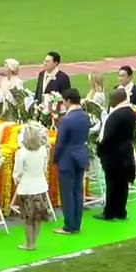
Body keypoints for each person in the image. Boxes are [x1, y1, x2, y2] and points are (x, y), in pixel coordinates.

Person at [52, 88, 90, 234]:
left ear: (68, 101)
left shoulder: (67, 120)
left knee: (67, 193)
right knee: (77, 191)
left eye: (64, 102)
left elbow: (60, 143)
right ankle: (76, 224)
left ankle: (69, 225)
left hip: (67, 159)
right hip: (80, 156)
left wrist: (55, 158)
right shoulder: (85, 116)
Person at [96, 88, 136, 221]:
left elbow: (108, 136)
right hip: (124, 152)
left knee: (112, 183)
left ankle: (109, 212)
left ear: (118, 99)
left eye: (112, 99)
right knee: (122, 183)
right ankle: (120, 211)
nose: (110, 101)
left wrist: (100, 149)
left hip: (113, 154)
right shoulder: (129, 111)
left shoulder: (117, 114)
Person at [12, 122, 52, 250]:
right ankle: (33, 242)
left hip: (26, 188)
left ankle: (28, 243)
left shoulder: (21, 153)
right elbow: (45, 168)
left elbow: (17, 172)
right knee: (38, 217)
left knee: (28, 218)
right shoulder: (43, 150)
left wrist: (16, 180)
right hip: (41, 186)